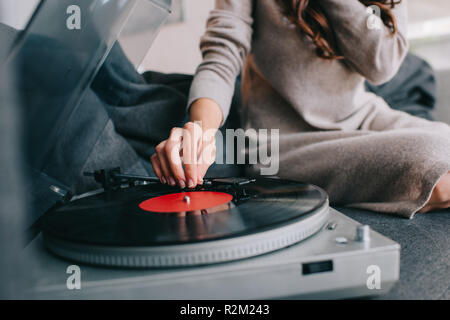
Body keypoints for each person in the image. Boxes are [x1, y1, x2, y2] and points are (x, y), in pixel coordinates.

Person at [150, 0, 450, 218]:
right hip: (279, 143)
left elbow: (382, 66)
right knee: (433, 164)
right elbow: (222, 55)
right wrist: (200, 132)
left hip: (366, 115)